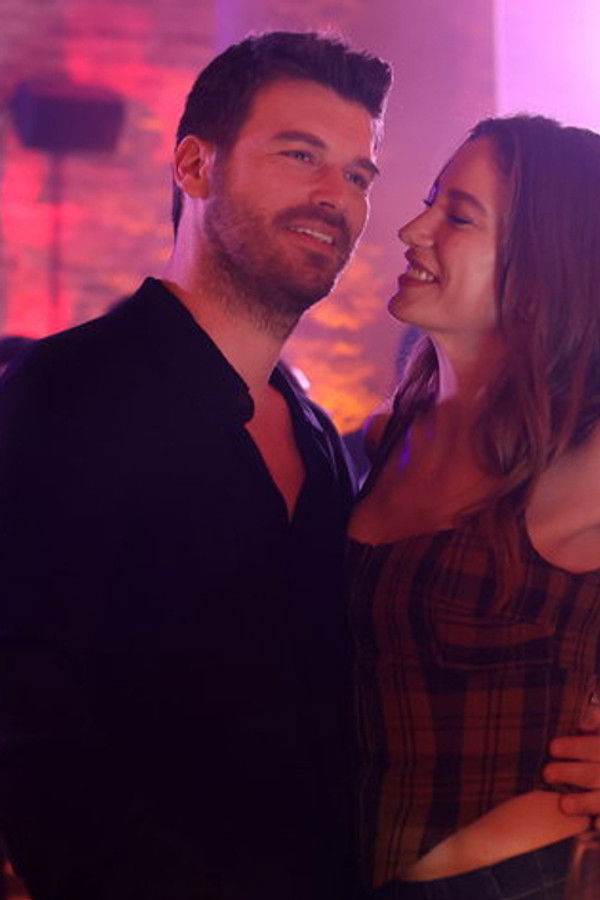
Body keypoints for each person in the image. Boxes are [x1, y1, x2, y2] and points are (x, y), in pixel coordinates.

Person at [0, 32, 392, 900]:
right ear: (193, 166)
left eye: (359, 175)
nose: (335, 197)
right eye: (300, 154)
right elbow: (27, 721)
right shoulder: (65, 391)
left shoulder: (320, 438)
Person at [348, 115, 600, 899]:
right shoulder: (387, 437)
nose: (411, 229)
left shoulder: (586, 457)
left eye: (457, 216)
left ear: (544, 265)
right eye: (431, 201)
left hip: (521, 879)